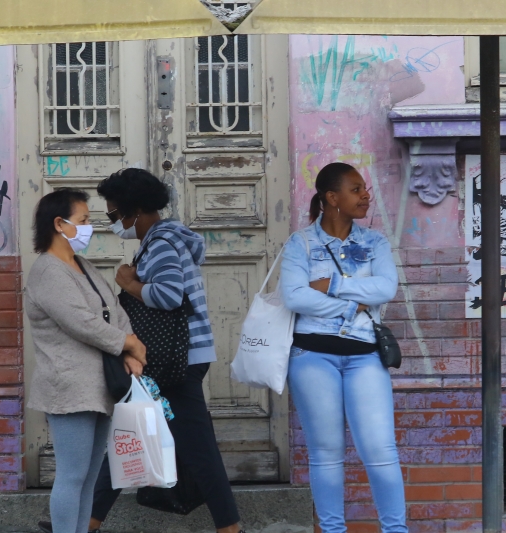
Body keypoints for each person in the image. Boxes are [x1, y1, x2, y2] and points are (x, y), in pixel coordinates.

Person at [89, 168, 244, 533]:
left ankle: (231, 527)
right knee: (133, 432)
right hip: (178, 356)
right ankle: (86, 522)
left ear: (133, 210)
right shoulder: (164, 239)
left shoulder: (160, 244)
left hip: (175, 360)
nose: (113, 223)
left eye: (114, 214)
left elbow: (170, 295)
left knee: (191, 447)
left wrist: (129, 283)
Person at [280, 163, 406, 533]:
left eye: (365, 188)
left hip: (365, 356)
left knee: (380, 450)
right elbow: (295, 296)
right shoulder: (300, 243)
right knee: (326, 452)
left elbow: (385, 288)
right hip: (310, 356)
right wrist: (353, 305)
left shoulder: (374, 243)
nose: (366, 195)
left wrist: (331, 284)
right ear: (332, 197)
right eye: (356, 189)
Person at [26, 188, 147, 533]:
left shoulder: (84, 266)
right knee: (72, 475)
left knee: (89, 476)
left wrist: (130, 350)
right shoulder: (48, 271)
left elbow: (114, 310)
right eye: (83, 220)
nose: (89, 227)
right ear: (59, 224)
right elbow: (81, 322)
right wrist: (128, 343)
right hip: (69, 388)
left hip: (100, 386)